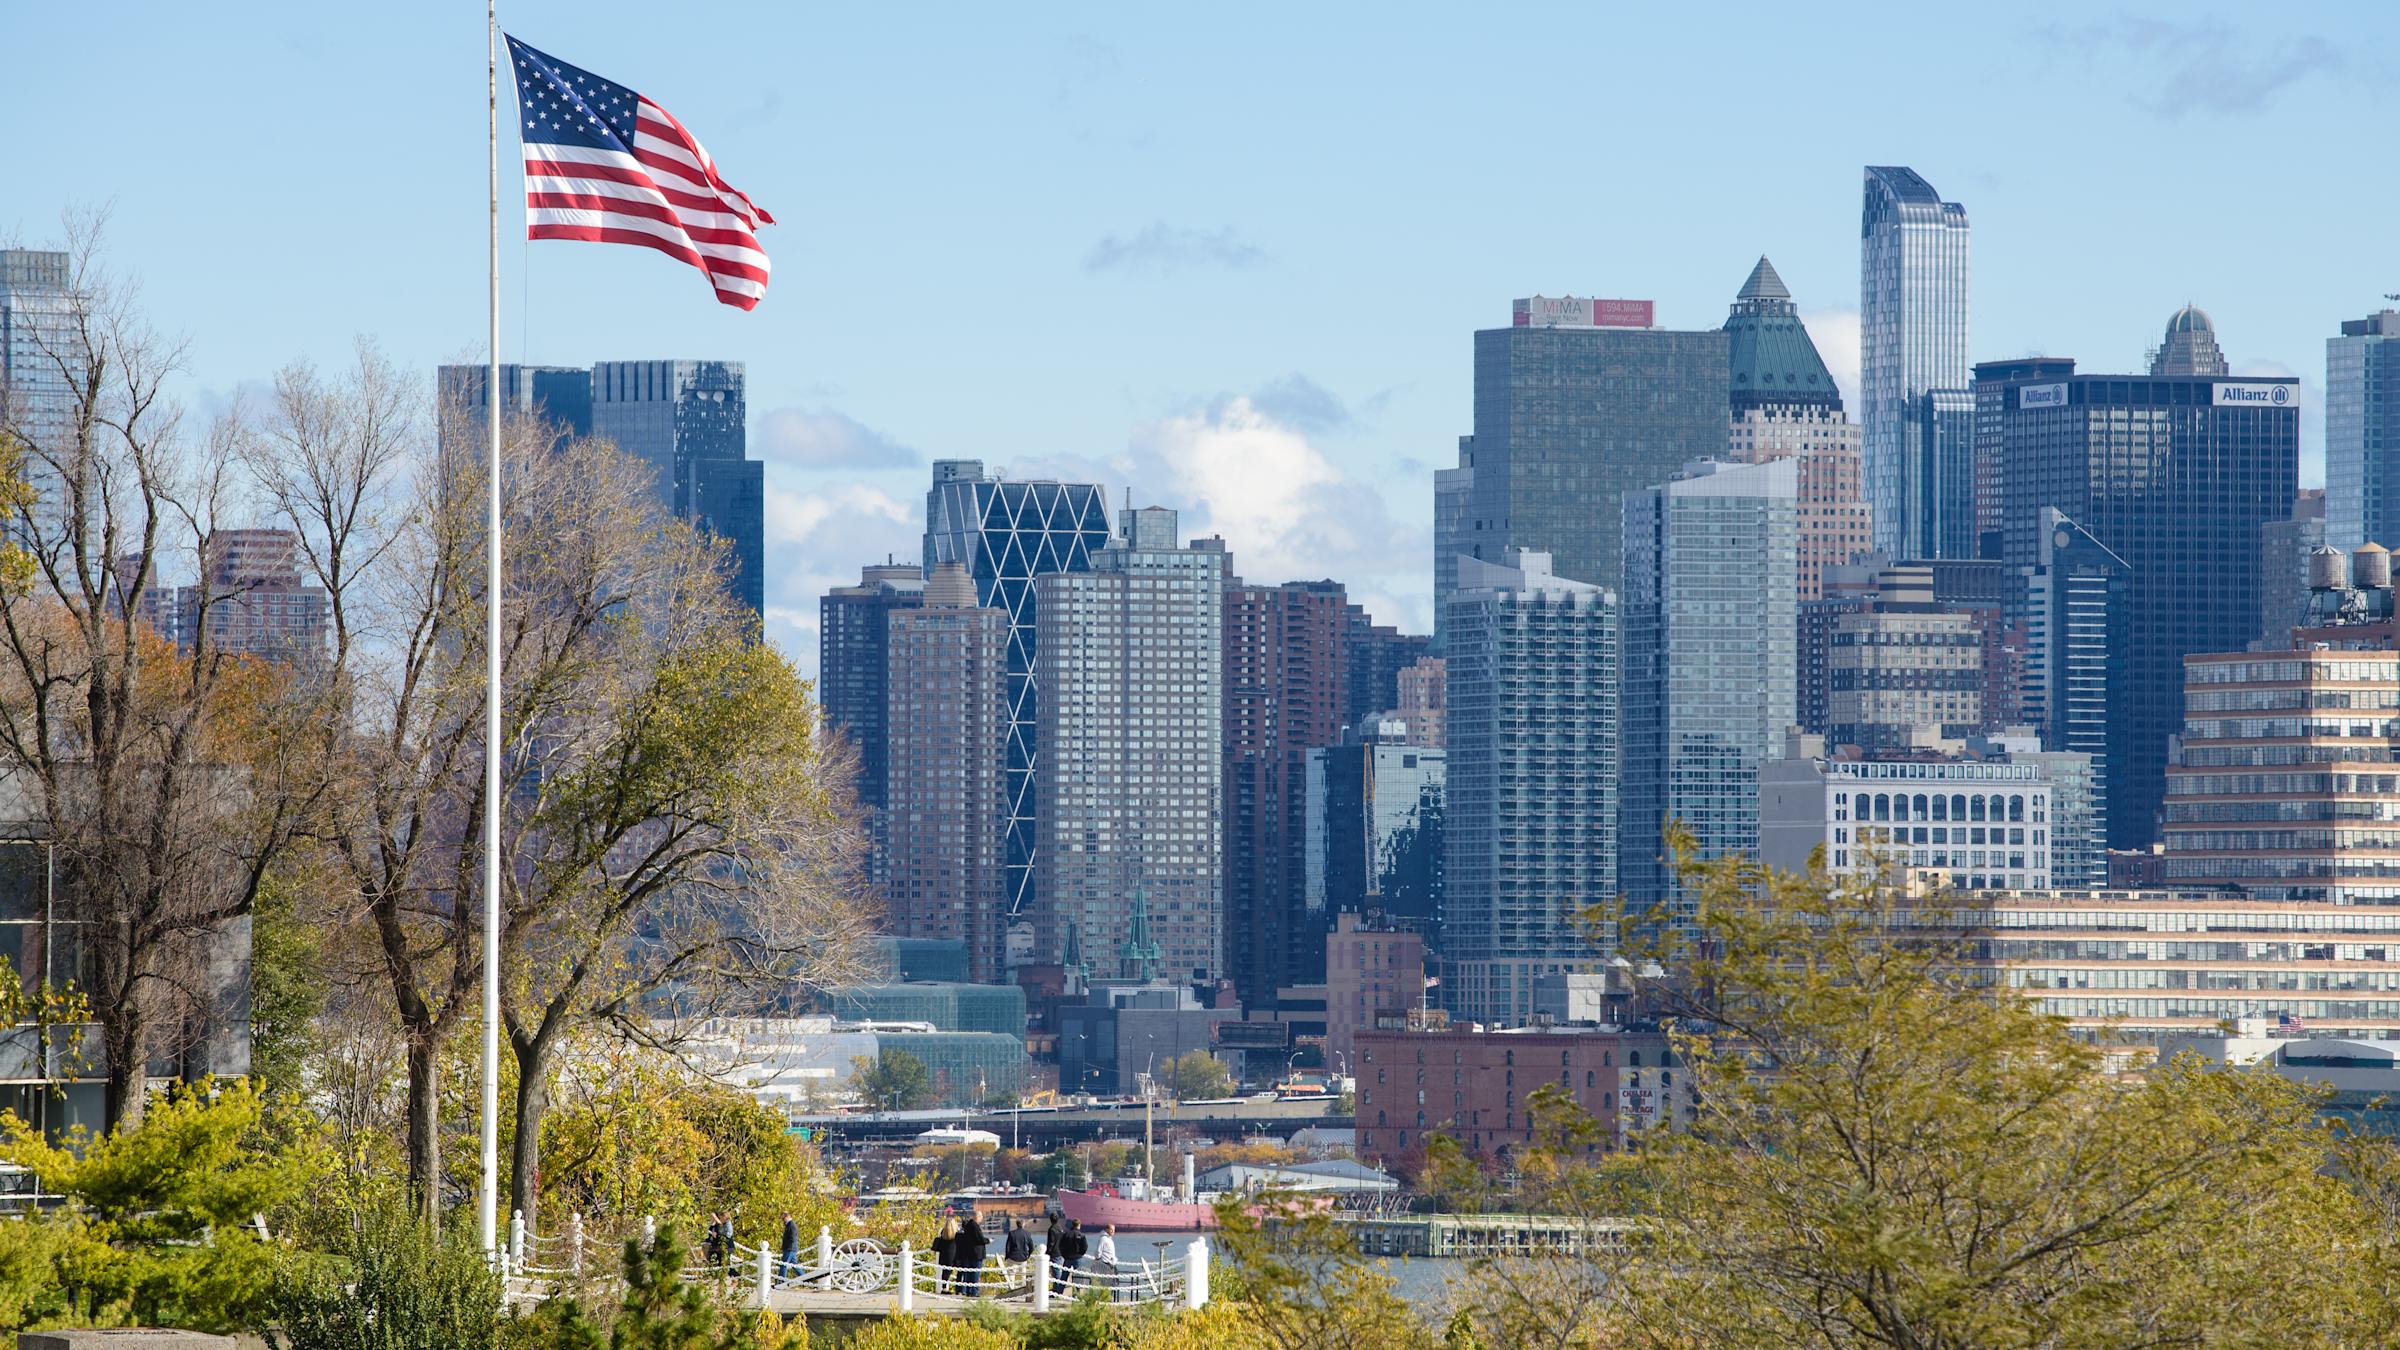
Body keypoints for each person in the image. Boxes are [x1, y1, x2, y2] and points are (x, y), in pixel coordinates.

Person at [956, 1215, 989, 1297]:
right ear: (978, 1217)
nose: (982, 1219)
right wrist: (988, 1240)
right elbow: (980, 1239)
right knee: (975, 1273)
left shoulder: (968, 1226)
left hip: (968, 1254)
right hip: (976, 1254)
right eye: (981, 1217)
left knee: (968, 1273)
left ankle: (968, 1290)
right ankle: (974, 1291)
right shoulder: (975, 1226)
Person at [932, 1217, 959, 1295]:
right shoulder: (955, 1233)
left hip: (944, 1254)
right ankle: (957, 1288)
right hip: (953, 1254)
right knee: (952, 1271)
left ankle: (944, 1288)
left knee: (945, 1272)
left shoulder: (943, 1232)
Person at [1094, 1223, 1119, 1300]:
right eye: (1112, 1230)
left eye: (1114, 1230)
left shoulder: (1109, 1239)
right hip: (1105, 1264)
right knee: (1105, 1283)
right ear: (1107, 1229)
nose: (1113, 1231)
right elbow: (1098, 1251)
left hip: (1111, 1264)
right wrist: (1098, 1258)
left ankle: (1108, 1298)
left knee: (1111, 1283)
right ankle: (1105, 1298)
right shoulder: (1103, 1239)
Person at [779, 1212, 799, 1282]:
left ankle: (781, 1282)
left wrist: (787, 1247)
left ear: (787, 1217)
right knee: (795, 1266)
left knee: (783, 1265)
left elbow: (793, 1238)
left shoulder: (791, 1225)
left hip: (790, 1248)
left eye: (783, 1218)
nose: (783, 1220)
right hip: (791, 1248)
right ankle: (806, 1279)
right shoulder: (789, 1225)